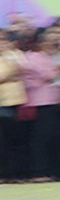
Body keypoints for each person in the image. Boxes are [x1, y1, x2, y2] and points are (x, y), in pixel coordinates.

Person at [22, 27, 60, 180]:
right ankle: (38, 171)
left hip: (52, 100)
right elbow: (49, 74)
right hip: (40, 102)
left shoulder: (44, 56)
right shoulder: (33, 57)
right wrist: (58, 69)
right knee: (40, 138)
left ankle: (50, 169)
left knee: (52, 137)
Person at [0, 29, 27, 180]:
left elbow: (23, 69)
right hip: (2, 104)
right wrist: (11, 73)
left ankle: (14, 173)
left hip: (14, 102)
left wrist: (10, 72)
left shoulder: (14, 54)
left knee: (14, 140)